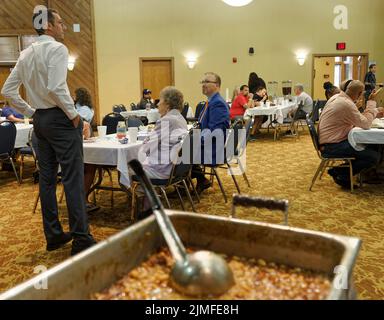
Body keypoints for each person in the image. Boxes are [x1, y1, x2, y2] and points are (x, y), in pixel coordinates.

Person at [1, 8, 96, 255]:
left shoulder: (25, 54)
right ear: (49, 26)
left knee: (46, 179)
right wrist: (74, 114)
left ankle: (53, 234)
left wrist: (32, 113)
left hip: (40, 121)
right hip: (60, 119)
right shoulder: (57, 49)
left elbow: (8, 91)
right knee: (73, 179)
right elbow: (55, 86)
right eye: (61, 22)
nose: (64, 26)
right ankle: (81, 238)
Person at [318, 80, 380, 188]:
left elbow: (358, 119)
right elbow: (366, 124)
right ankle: (342, 173)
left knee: (371, 146)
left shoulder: (337, 97)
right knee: (374, 156)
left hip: (328, 142)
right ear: (360, 93)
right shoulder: (346, 104)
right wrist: (372, 105)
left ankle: (342, 171)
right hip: (331, 146)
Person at [193, 72, 230, 193]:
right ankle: (200, 180)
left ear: (217, 85)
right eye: (202, 82)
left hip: (214, 149)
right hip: (210, 145)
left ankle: (186, 184)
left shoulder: (217, 103)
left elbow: (215, 131)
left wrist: (196, 141)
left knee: (179, 153)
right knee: (183, 148)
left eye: (207, 82)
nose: (203, 84)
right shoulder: (211, 101)